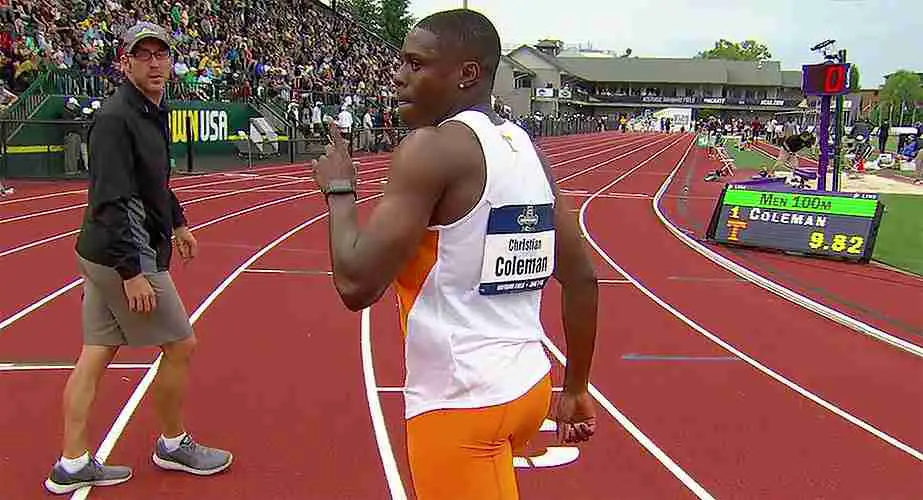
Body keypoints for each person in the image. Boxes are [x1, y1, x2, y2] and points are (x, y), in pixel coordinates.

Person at [311, 9, 598, 500]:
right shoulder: (524, 147)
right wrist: (575, 389)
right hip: (527, 384)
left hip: (460, 405)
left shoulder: (431, 149)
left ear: (468, 74)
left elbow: (356, 285)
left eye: (416, 64)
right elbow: (582, 279)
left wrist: (340, 190)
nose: (398, 77)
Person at [44, 21, 232, 495]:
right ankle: (172, 445)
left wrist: (179, 221)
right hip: (121, 254)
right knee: (181, 344)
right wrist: (132, 273)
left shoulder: (153, 109)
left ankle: (71, 464)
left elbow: (154, 182)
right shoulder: (115, 118)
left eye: (161, 54)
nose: (154, 62)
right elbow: (112, 199)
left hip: (104, 250)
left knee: (97, 352)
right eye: (142, 55)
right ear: (124, 62)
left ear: (170, 61)